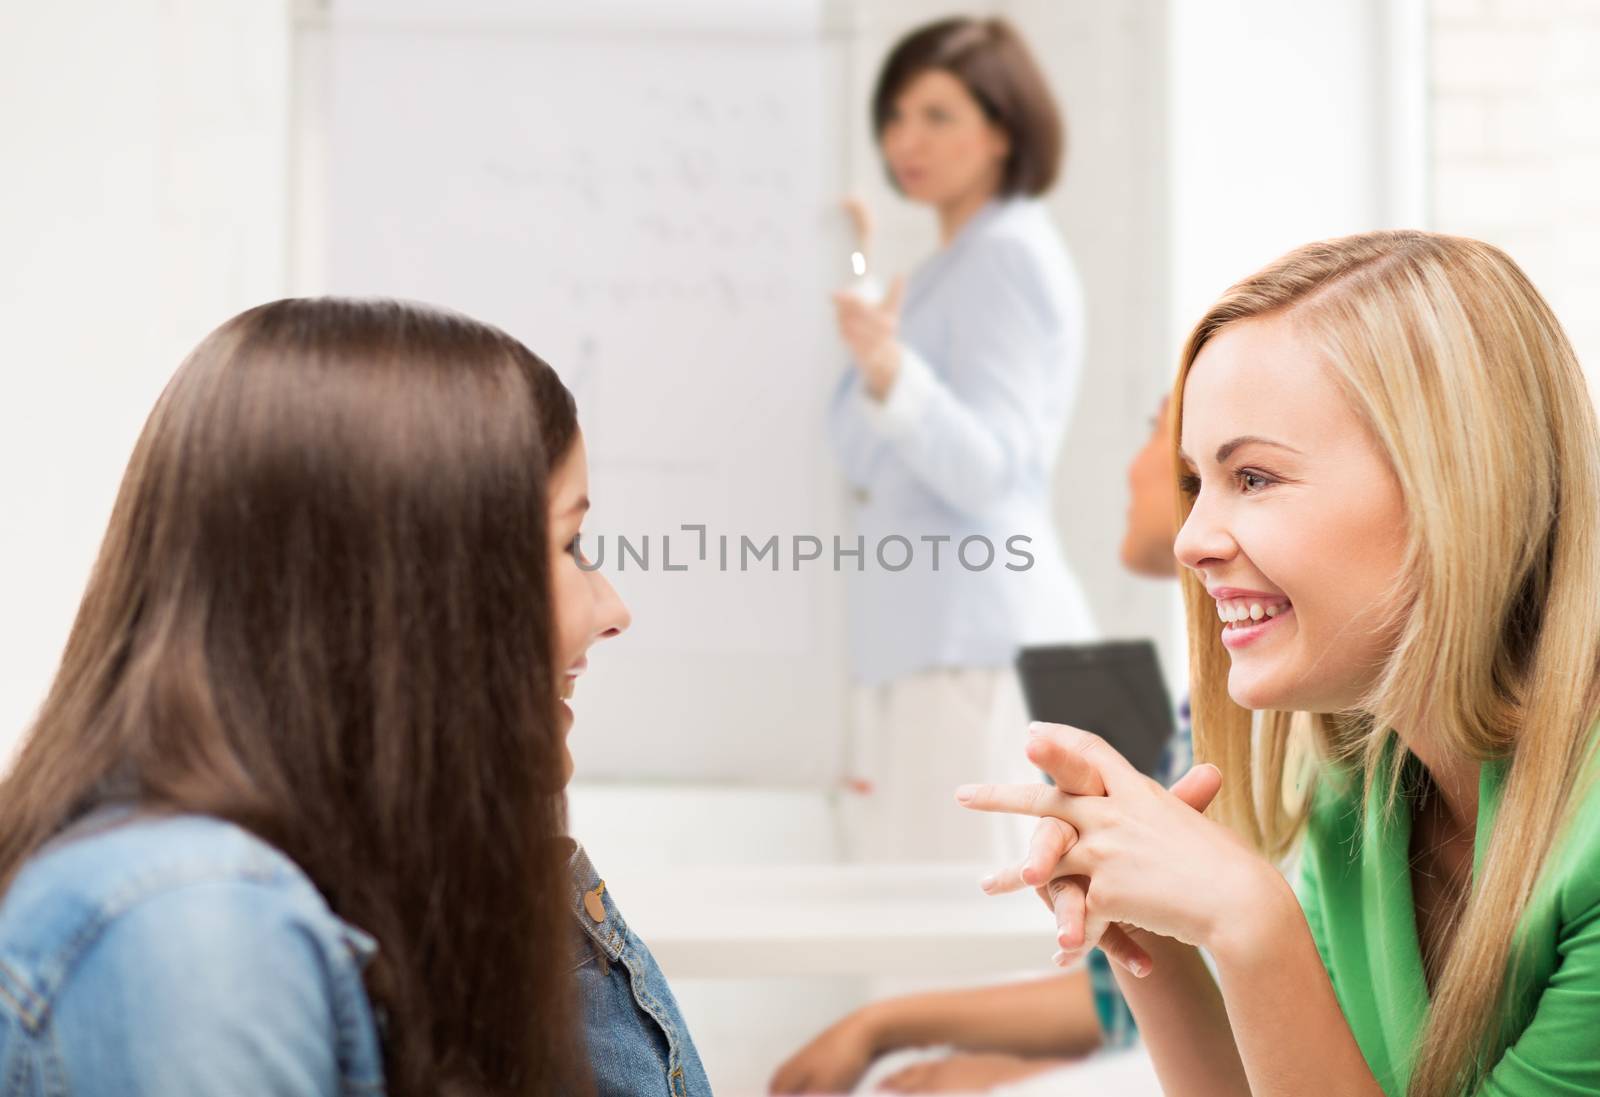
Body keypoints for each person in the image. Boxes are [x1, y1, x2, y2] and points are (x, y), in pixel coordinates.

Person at [0, 298, 709, 1096]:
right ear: (403, 590)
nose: (613, 609)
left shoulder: (364, 890)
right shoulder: (190, 929)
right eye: (570, 544)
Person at [963, 231, 1600, 1095]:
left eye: (1254, 478)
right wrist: (1160, 941)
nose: (1191, 541)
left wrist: (1252, 918)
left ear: (1451, 488)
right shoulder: (1360, 794)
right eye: (1196, 483)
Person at [771, 400, 1190, 1094]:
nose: (1135, 464)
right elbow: (1128, 994)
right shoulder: (1196, 715)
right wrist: (882, 1024)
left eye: (1153, 427)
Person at [828, 16, 1097, 863]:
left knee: (949, 943)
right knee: (925, 935)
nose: (907, 139)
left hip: (973, 647)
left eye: (938, 116)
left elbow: (988, 470)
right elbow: (865, 457)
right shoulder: (952, 263)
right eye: (897, 114)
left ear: (1001, 130)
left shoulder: (1005, 257)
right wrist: (879, 357)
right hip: (935, 647)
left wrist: (892, 374)